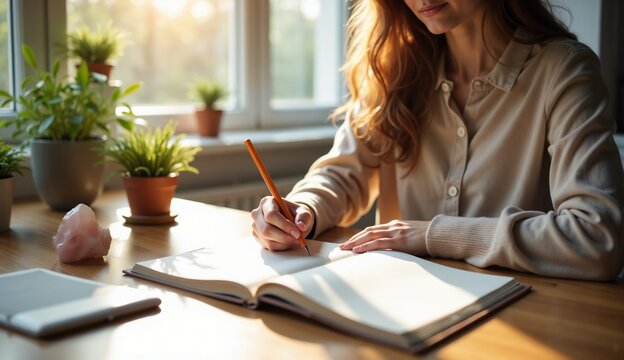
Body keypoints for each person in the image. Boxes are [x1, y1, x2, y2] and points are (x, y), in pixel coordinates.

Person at [251, 0, 624, 281]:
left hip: (526, 322)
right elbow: (344, 174)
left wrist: (433, 234)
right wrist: (302, 209)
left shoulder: (565, 71)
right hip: (403, 308)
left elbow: (597, 238)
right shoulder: (393, 68)